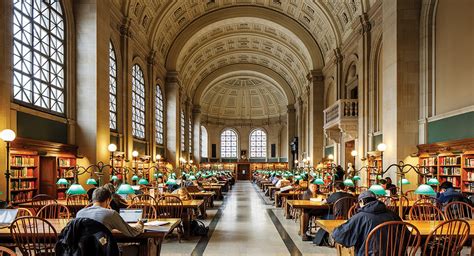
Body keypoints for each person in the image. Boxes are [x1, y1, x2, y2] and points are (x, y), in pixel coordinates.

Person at [76, 187, 144, 255]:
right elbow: (132, 232)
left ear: (93, 199)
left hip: (83, 252)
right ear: (108, 200)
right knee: (138, 247)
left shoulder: (79, 213)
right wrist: (140, 224)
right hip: (105, 252)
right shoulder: (111, 214)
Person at [332, 191, 402, 256]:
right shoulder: (393, 214)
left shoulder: (360, 217)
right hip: (396, 253)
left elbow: (339, 235)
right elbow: (406, 236)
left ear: (362, 202)